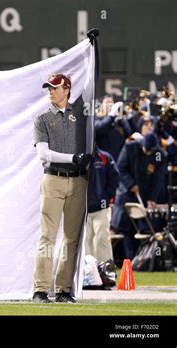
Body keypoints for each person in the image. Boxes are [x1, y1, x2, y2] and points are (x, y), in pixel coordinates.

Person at [32, 74, 93, 303]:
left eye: (54, 87)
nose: (50, 91)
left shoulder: (78, 111)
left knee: (71, 238)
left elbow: (90, 82)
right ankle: (40, 289)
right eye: (48, 87)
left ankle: (63, 290)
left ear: (66, 89)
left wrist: (93, 47)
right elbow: (43, 154)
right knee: (47, 236)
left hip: (78, 181)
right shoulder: (42, 119)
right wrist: (74, 158)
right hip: (53, 179)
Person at [111, 132, 167, 259]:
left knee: (142, 230)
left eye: (150, 151)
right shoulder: (130, 148)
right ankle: (129, 260)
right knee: (126, 230)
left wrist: (152, 198)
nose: (148, 153)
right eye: (146, 150)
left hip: (144, 195)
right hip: (127, 194)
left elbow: (157, 179)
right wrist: (131, 184)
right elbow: (120, 168)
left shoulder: (160, 155)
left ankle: (139, 261)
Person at [85, 146, 120, 263]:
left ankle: (106, 271)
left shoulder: (104, 157)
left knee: (101, 238)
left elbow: (115, 178)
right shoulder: (78, 157)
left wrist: (106, 197)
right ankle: (88, 272)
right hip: (83, 209)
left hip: (101, 208)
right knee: (85, 240)